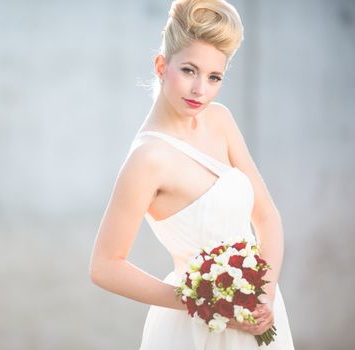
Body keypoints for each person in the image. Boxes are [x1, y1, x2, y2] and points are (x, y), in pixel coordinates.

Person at [89, 0, 295, 348]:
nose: (201, 89)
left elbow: (266, 215)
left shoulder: (220, 121)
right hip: (195, 327)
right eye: (189, 70)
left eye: (214, 77)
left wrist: (266, 295)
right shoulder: (147, 159)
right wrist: (201, 301)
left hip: (260, 315)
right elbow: (104, 266)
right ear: (160, 65)